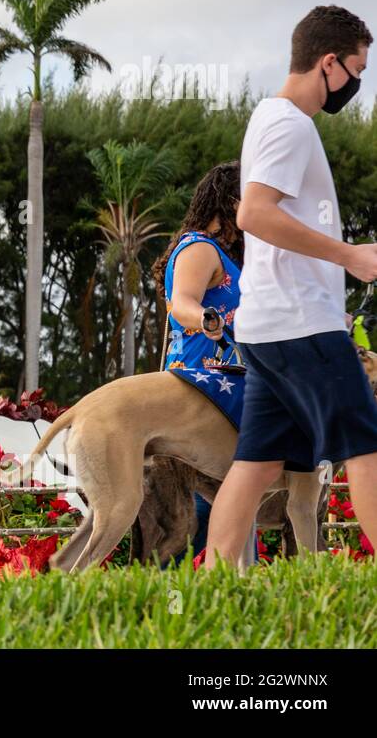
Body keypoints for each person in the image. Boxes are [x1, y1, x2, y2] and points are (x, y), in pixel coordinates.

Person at [204, 5, 377, 569]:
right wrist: (349, 255)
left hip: (267, 328)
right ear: (328, 63)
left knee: (256, 463)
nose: (356, 83)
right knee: (365, 445)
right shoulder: (290, 124)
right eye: (356, 70)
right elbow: (253, 213)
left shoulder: (268, 118)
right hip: (302, 322)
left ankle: (215, 582)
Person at [151, 161, 251, 560]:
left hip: (219, 392)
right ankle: (175, 610)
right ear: (230, 202)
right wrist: (206, 319)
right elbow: (182, 304)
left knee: (224, 506)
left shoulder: (225, 256)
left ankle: (209, 604)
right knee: (193, 514)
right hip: (199, 391)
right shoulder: (199, 247)